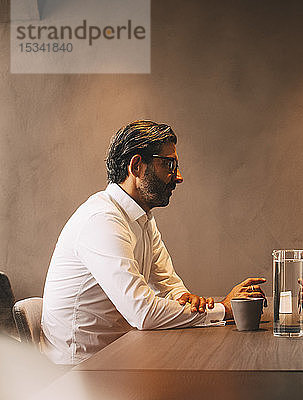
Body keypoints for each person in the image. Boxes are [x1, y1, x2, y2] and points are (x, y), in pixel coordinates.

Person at [42, 120, 266, 365]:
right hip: (82, 371)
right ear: (136, 166)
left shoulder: (143, 218)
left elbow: (169, 287)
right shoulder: (102, 220)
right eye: (169, 164)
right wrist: (224, 309)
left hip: (123, 358)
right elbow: (143, 312)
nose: (178, 177)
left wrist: (188, 300)